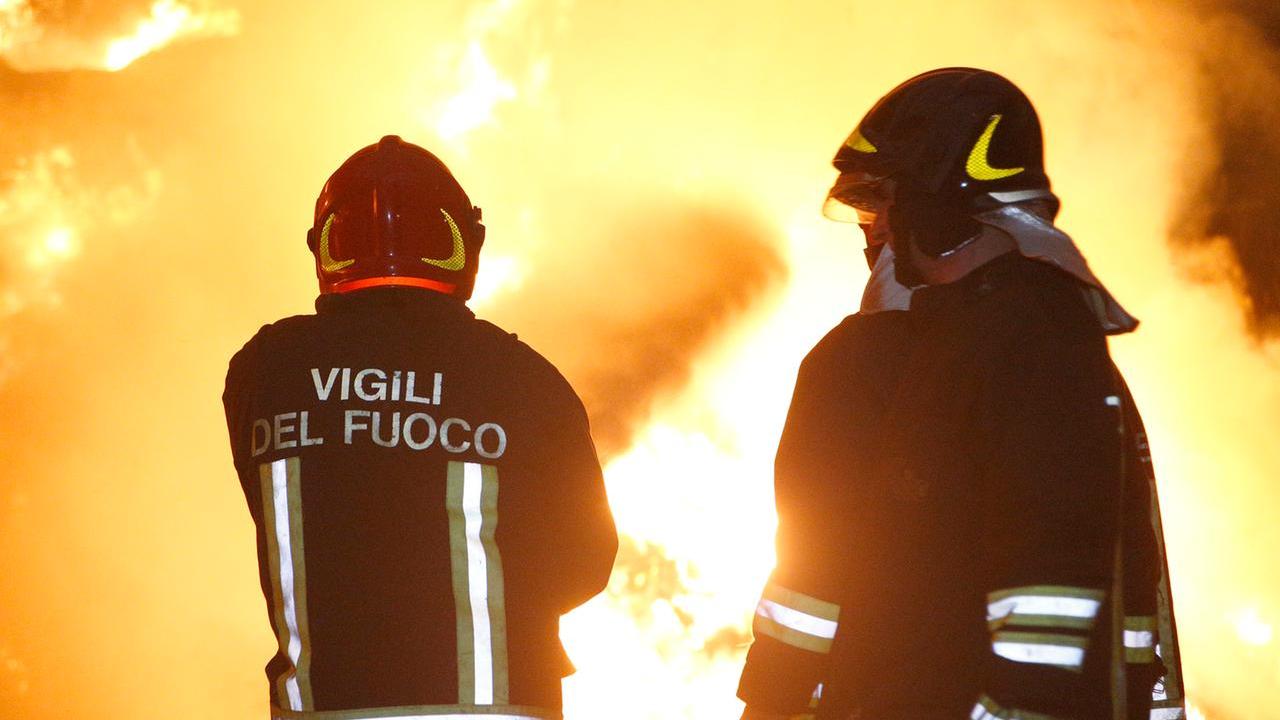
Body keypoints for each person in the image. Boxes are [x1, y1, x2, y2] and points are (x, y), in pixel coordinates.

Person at [737, 69, 1184, 720]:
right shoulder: (1010, 340)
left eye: (886, 201)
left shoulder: (1026, 348)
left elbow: (1049, 582)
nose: (877, 229)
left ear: (940, 194)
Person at [222, 136, 618, 720]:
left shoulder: (264, 371)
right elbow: (586, 562)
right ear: (463, 245)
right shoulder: (522, 379)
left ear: (327, 247)